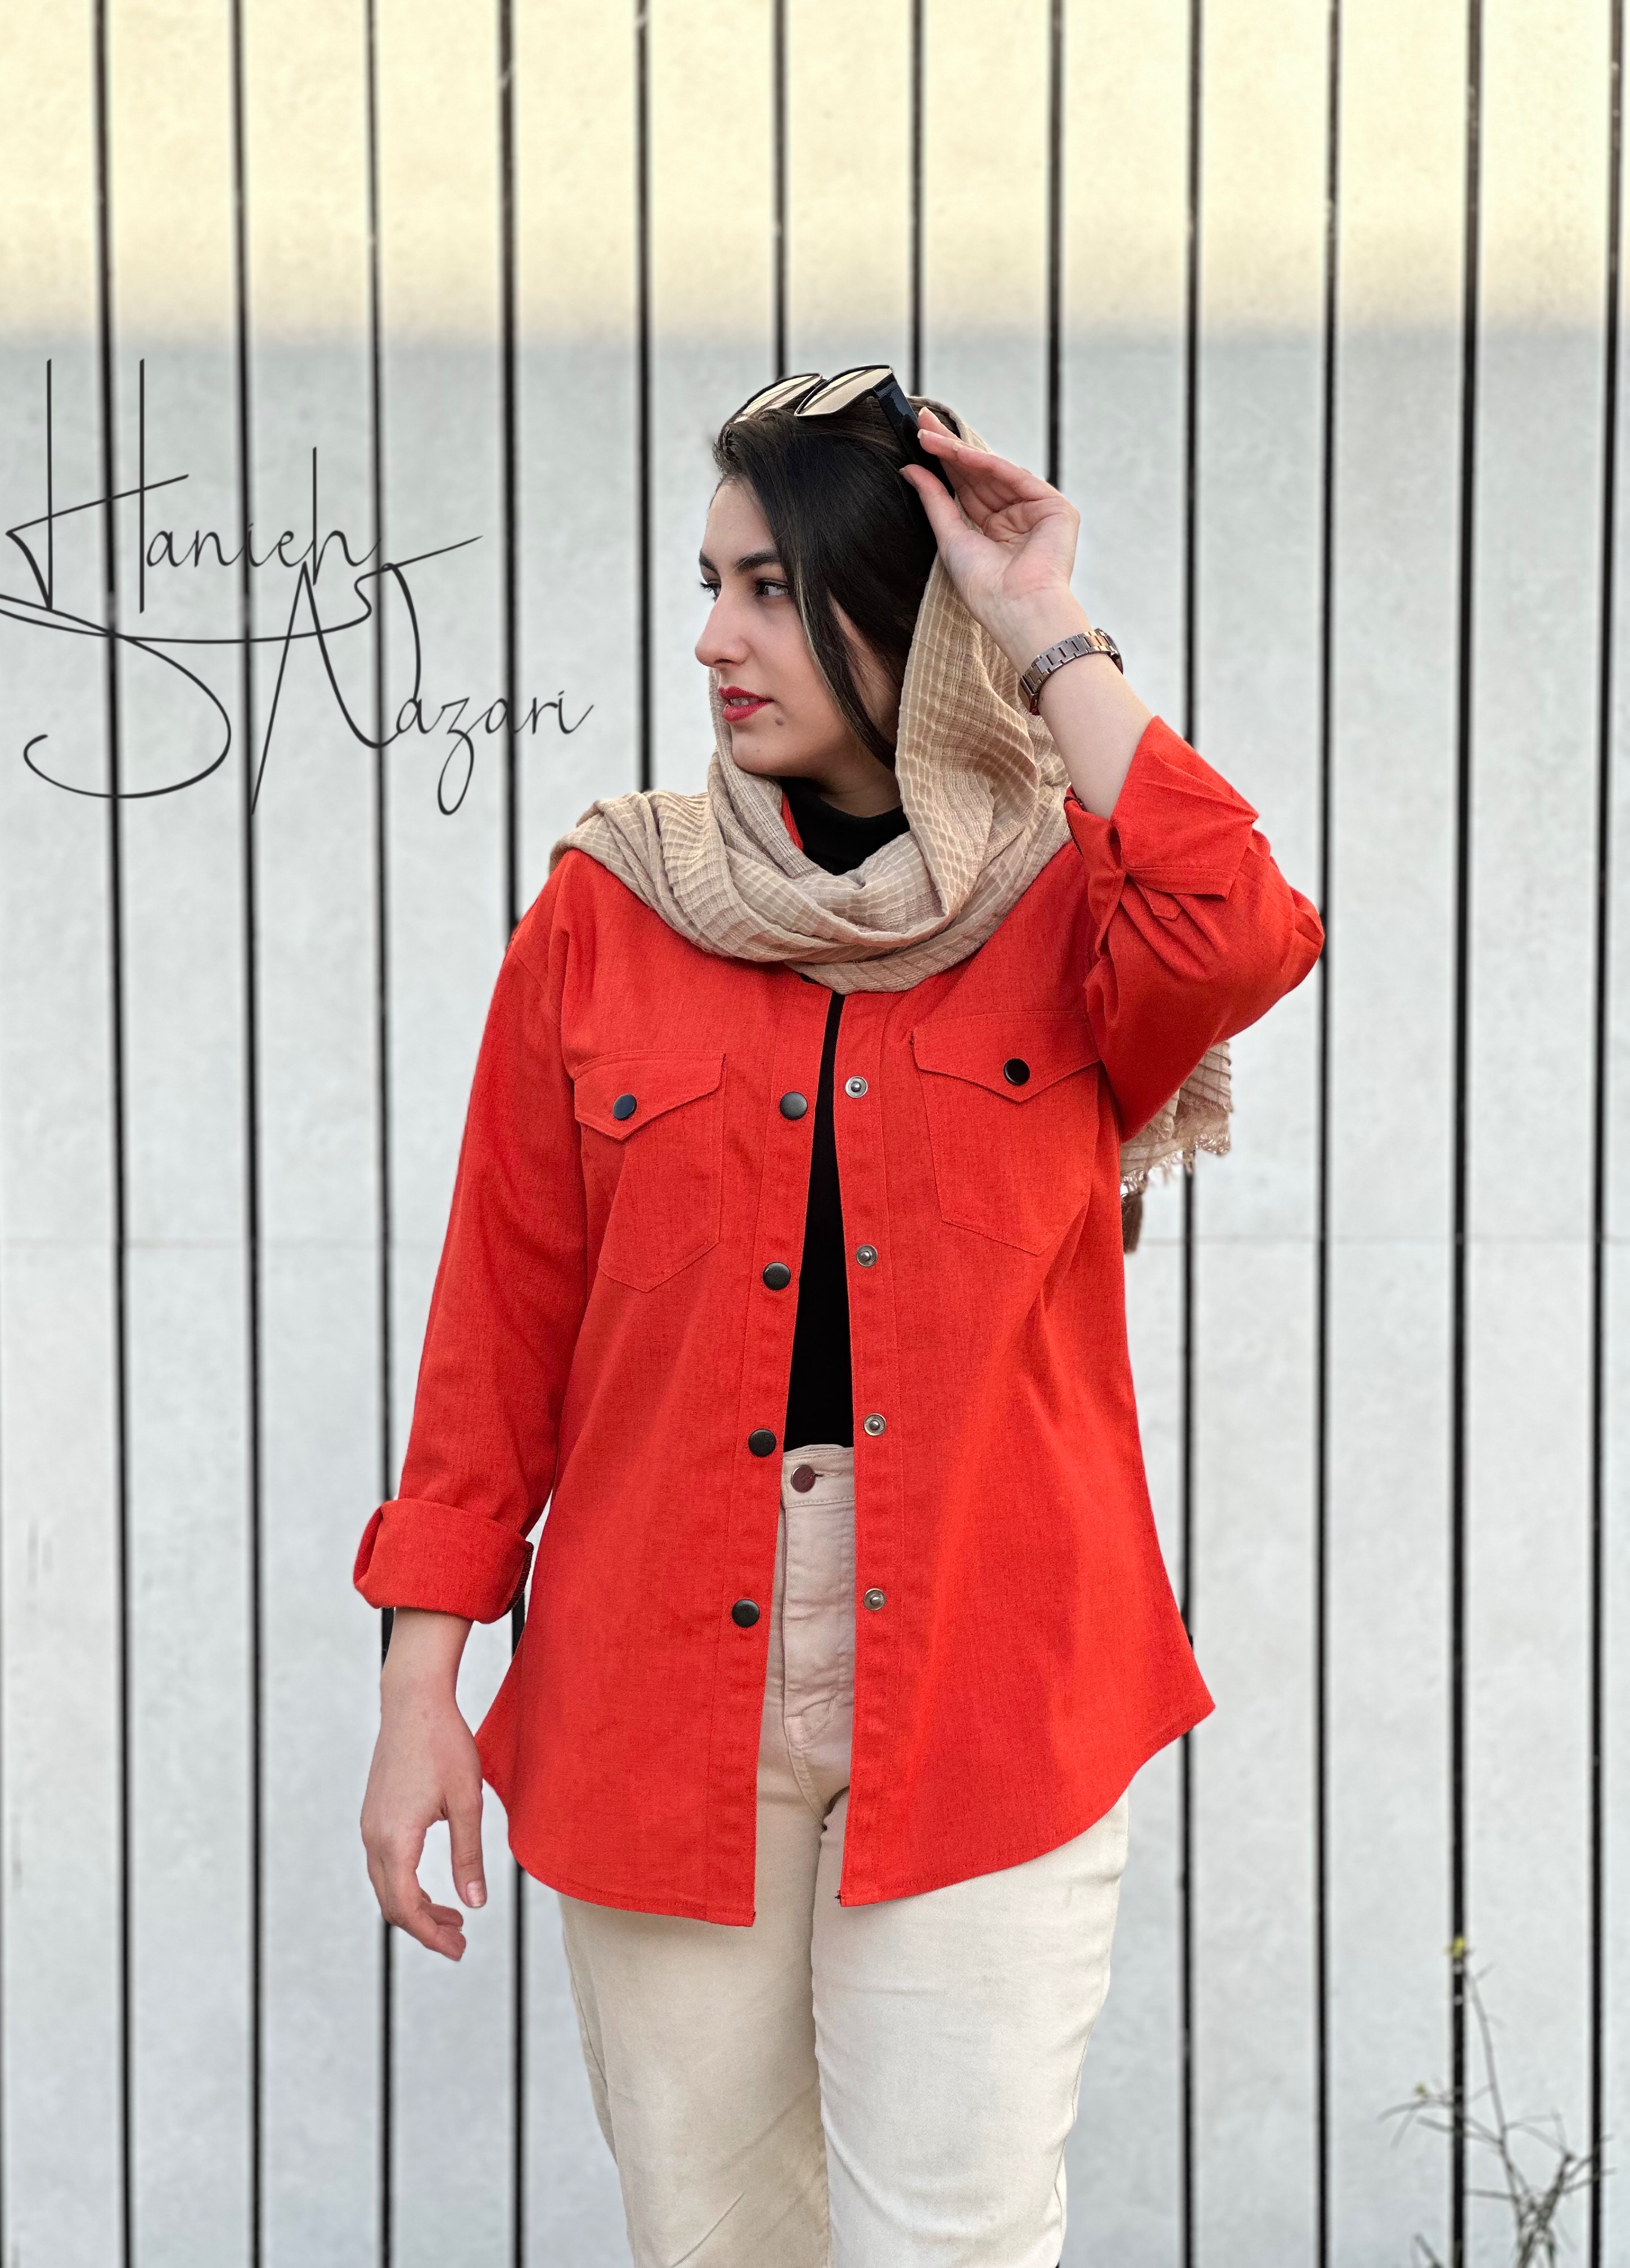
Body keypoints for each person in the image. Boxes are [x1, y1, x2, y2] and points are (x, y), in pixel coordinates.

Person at [353, 368, 1323, 2267]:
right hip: (653, 1681)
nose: (714, 640)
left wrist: (1041, 619)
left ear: (903, 613)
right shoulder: (608, 912)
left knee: (953, 2241)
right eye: (711, 586)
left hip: (990, 1673)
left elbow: (1240, 925)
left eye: (777, 590)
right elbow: (496, 1335)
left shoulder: (1075, 910)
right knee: (714, 2239)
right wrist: (416, 1700)